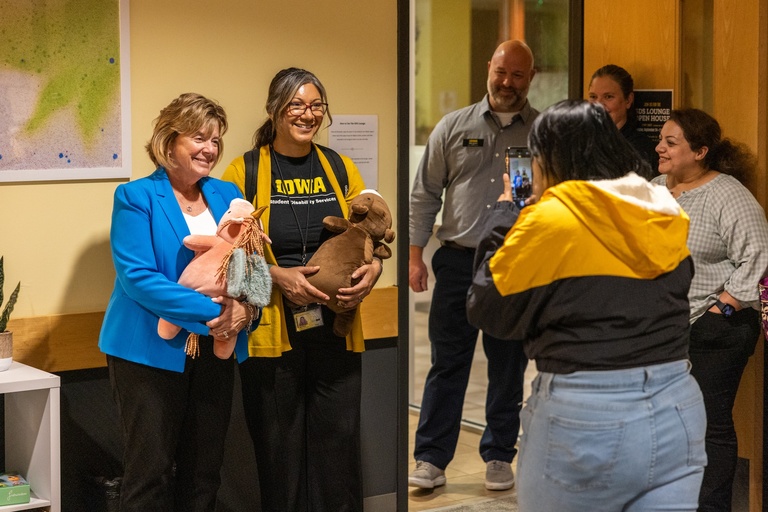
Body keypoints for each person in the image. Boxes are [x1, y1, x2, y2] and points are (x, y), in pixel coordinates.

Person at [467, 100, 707, 511]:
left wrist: (509, 211)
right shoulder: (660, 207)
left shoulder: (551, 219)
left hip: (586, 418)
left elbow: (487, 307)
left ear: (550, 159)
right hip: (677, 408)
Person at [221, 67, 381, 512]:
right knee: (279, 455)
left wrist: (372, 273)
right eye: (297, 105)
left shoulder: (337, 166)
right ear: (275, 109)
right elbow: (227, 256)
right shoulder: (244, 171)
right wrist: (279, 277)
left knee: (339, 452)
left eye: (316, 106)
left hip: (337, 330)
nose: (307, 115)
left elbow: (368, 237)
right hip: (272, 336)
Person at [99, 93, 255, 512]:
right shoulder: (135, 197)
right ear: (170, 141)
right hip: (147, 353)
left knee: (204, 471)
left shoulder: (229, 194)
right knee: (148, 473)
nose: (210, 149)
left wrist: (247, 310)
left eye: (216, 140)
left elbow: (252, 265)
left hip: (215, 353)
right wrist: (218, 315)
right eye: (199, 137)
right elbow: (139, 280)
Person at [408, 39, 536, 491]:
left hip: (515, 263)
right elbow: (425, 194)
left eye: (517, 75)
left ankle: (500, 455)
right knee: (448, 361)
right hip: (459, 262)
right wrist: (414, 255)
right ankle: (431, 459)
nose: (507, 82)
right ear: (489, 69)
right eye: (502, 72)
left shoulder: (541, 134)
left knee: (507, 364)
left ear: (530, 79)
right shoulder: (453, 126)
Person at [653, 108, 768, 511]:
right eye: (661, 140)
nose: (659, 148)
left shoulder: (727, 193)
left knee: (707, 425)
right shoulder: (654, 188)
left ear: (700, 151)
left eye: (671, 142)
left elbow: (759, 254)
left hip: (716, 327)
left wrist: (725, 305)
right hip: (664, 329)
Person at [588, 64, 659, 177]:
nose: (598, 105)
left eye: (608, 97)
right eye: (593, 97)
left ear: (628, 100)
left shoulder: (640, 150)